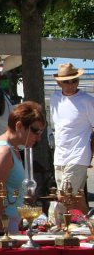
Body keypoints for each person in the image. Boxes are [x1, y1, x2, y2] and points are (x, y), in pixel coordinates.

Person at [0, 101, 46, 235]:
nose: (39, 137)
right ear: (19, 125)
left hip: (9, 220)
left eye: (41, 132)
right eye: (35, 131)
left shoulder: (13, 149)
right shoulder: (3, 151)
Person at [49, 63, 94, 218]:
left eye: (74, 80)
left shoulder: (88, 101)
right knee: (75, 199)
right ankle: (89, 224)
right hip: (59, 156)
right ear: (58, 82)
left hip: (78, 154)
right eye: (66, 81)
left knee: (63, 198)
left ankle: (57, 228)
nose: (70, 85)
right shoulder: (55, 99)